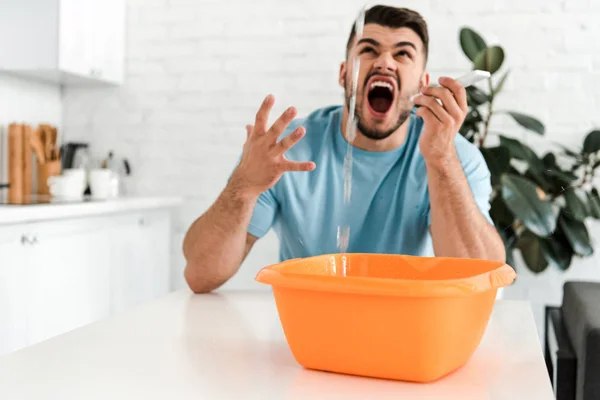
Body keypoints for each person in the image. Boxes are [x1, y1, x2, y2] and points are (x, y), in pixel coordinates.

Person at [182, 5, 506, 294]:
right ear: (343, 74)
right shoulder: (285, 152)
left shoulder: (453, 156)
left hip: (404, 330)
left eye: (402, 54)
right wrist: (244, 186)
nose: (384, 62)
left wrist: (442, 160)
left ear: (423, 85)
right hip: (308, 330)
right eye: (368, 50)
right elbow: (201, 275)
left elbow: (482, 278)